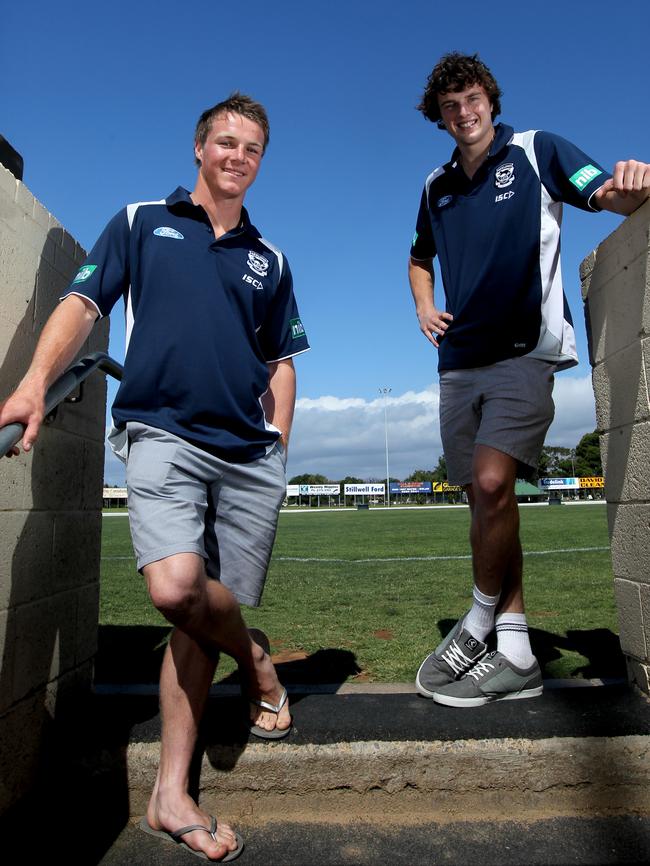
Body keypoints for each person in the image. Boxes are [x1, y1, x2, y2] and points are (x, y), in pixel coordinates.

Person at [0, 92, 309, 860]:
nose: (239, 158)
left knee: (195, 616)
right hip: (163, 433)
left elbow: (282, 361)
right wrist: (37, 381)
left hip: (247, 454)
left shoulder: (271, 259)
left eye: (253, 149)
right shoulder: (142, 220)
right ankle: (259, 663)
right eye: (227, 143)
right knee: (177, 589)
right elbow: (82, 301)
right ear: (200, 149)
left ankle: (172, 796)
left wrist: (277, 444)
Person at [409, 53, 650, 709]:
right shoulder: (436, 185)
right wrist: (424, 306)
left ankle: (479, 620)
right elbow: (418, 257)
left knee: (493, 483)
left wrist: (636, 182)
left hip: (524, 353)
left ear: (490, 97)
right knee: (482, 505)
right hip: (457, 363)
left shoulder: (536, 149)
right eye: (450, 106)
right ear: (440, 117)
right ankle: (515, 648)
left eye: (472, 97)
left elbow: (605, 195)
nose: (464, 112)